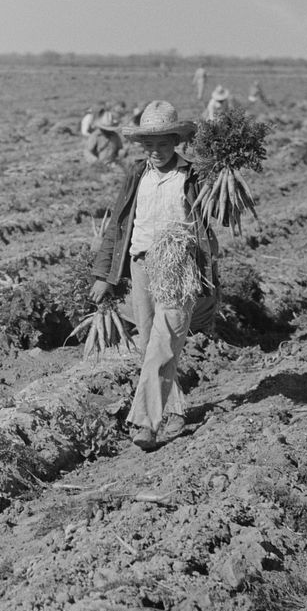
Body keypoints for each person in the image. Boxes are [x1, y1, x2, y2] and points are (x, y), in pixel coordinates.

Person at [90, 101, 219, 452]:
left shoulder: (194, 175)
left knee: (163, 345)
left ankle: (145, 422)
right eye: (150, 145)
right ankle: (174, 409)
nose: (157, 151)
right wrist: (104, 275)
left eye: (164, 144)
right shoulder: (137, 174)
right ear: (142, 146)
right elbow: (117, 226)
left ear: (176, 141)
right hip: (141, 264)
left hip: (179, 266)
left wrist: (224, 174)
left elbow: (219, 211)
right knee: (150, 344)